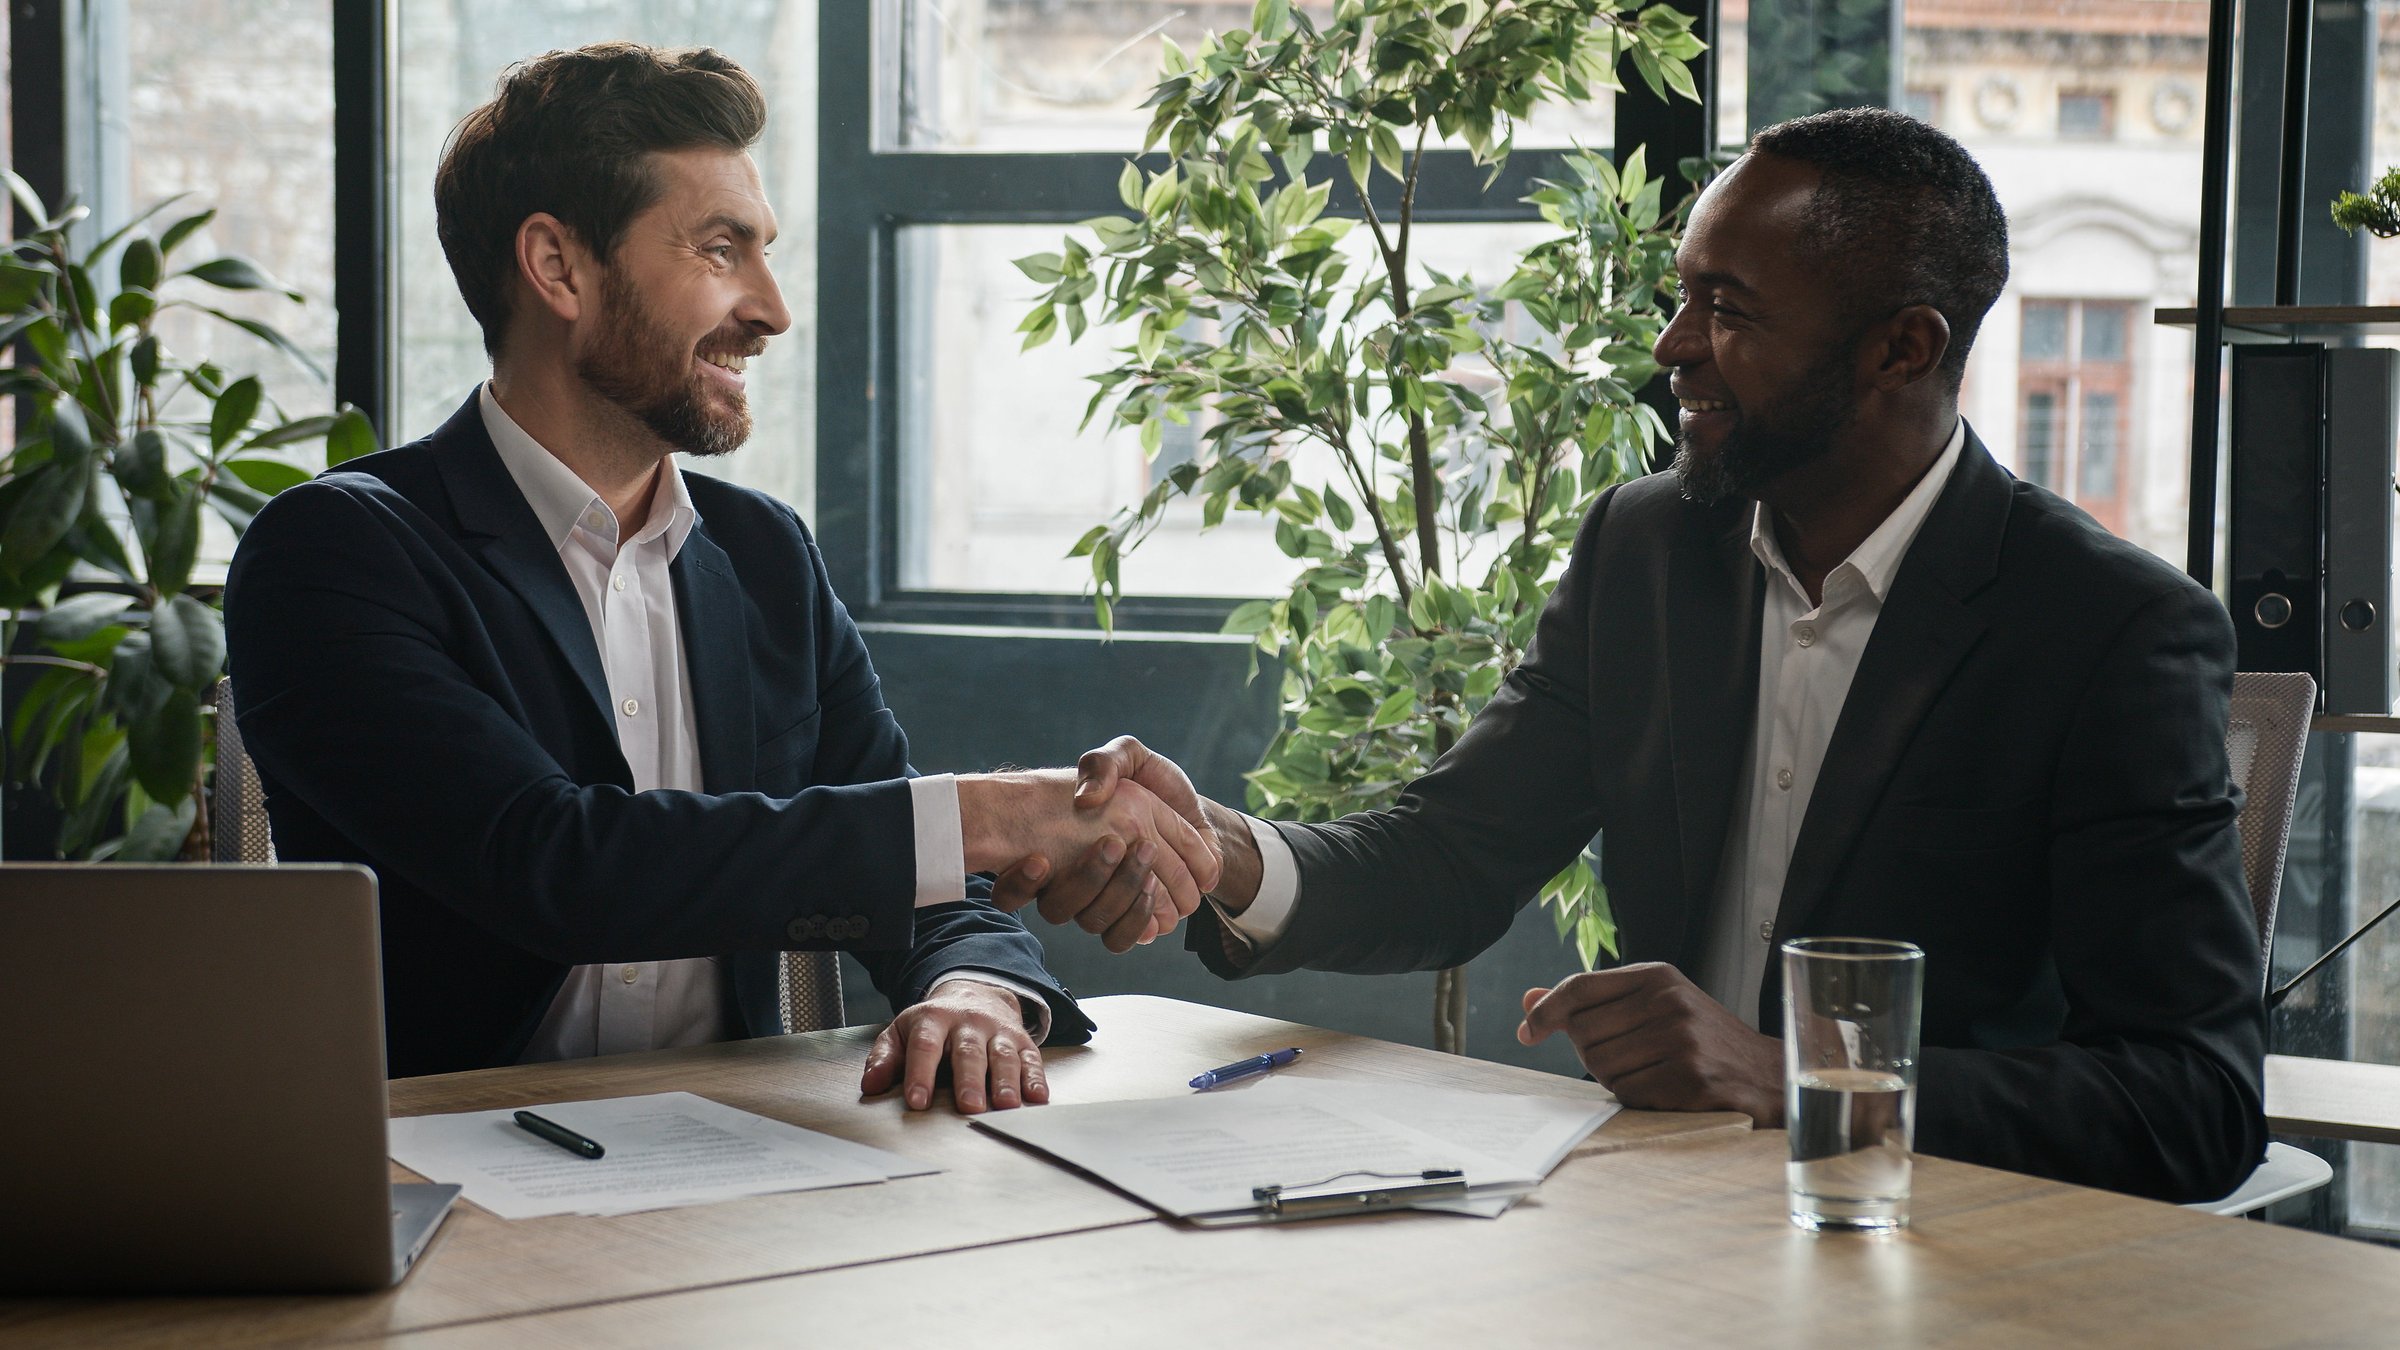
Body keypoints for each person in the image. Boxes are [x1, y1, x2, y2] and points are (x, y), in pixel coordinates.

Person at [1012, 108, 2267, 1202]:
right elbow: (1454, 857)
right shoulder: (1649, 545)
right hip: (1652, 1212)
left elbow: (2192, 1098)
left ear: (1904, 349)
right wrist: (1225, 852)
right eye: (1683, 296)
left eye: (1726, 310)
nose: (1670, 345)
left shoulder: (2108, 630)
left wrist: (1793, 1079)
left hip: (1940, 1247)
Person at [224, 43, 1218, 1109]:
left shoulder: (763, 558)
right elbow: (556, 866)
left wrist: (973, 989)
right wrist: (997, 811)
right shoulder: (335, 551)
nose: (773, 309)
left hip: (738, 1169)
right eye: (719, 250)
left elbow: (929, 888)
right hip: (430, 1181)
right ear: (558, 266)